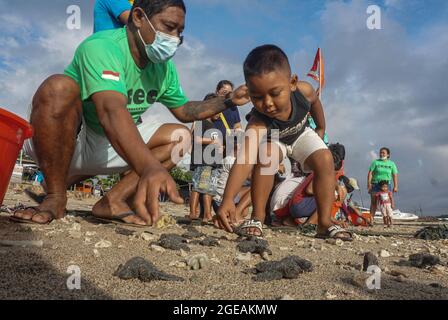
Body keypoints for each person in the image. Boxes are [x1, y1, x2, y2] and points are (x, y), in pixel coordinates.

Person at [12, 0, 249, 226]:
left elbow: (185, 110)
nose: (174, 39)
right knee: (58, 87)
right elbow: (110, 111)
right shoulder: (102, 46)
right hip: (67, 142)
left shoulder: (164, 69)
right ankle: (54, 196)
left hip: (110, 147)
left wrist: (228, 101)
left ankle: (113, 200)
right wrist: (149, 168)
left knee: (181, 137)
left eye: (180, 32)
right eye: (168, 27)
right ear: (138, 17)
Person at [217, 45, 352, 241]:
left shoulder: (304, 90)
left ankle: (324, 223)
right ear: (249, 93)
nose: (268, 103)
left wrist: (321, 128)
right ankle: (257, 218)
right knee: (267, 156)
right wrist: (228, 198)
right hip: (275, 138)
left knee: (325, 158)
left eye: (274, 93)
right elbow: (245, 159)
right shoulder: (258, 121)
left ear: (292, 83)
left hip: (300, 134)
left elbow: (315, 103)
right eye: (257, 97)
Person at [189, 93, 223, 223]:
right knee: (199, 186)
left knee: (210, 188)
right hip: (203, 159)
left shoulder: (213, 125)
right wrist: (213, 141)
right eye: (217, 109)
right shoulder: (200, 121)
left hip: (213, 161)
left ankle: (207, 214)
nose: (219, 113)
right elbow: (197, 139)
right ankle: (193, 212)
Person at [367, 147, 399, 220]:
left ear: (388, 154)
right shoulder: (375, 162)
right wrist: (369, 184)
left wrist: (396, 186)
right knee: (374, 202)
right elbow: (370, 173)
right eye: (380, 153)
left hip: (386, 185)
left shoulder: (391, 164)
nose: (381, 154)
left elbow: (395, 175)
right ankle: (371, 219)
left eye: (383, 153)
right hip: (375, 184)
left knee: (387, 202)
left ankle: (388, 219)